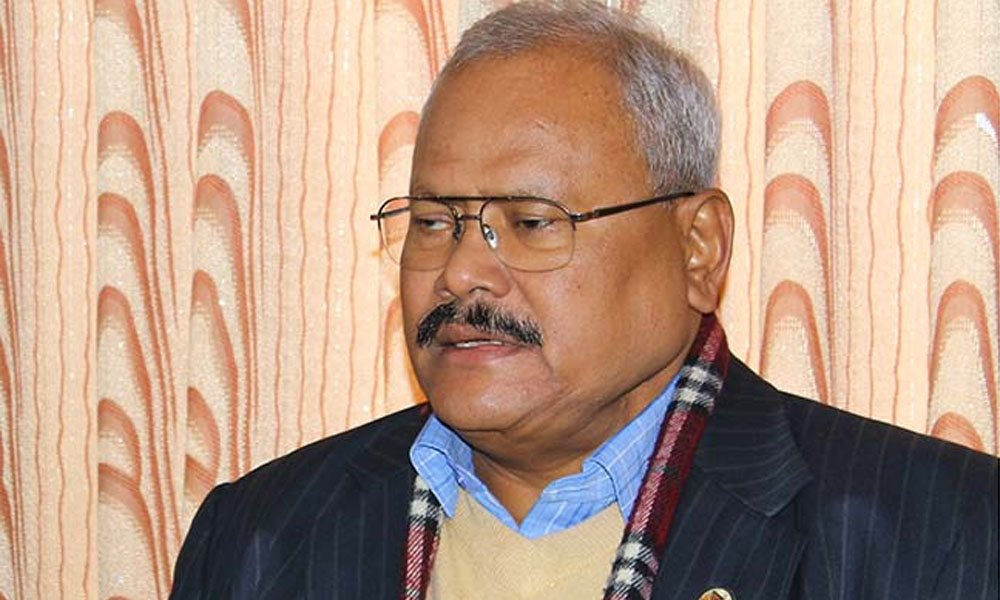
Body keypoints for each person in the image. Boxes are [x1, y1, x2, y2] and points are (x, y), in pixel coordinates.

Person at [170, 2, 999, 599]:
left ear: (698, 247)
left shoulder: (940, 533)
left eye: (531, 222)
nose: (461, 272)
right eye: (432, 222)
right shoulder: (258, 536)